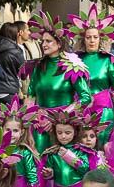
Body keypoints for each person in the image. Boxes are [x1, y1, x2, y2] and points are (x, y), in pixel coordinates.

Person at [22, 12, 94, 151]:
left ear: (59, 43)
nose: (44, 44)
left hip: (63, 128)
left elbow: (85, 97)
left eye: (48, 41)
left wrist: (59, 117)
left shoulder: (72, 66)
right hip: (40, 125)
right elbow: (30, 95)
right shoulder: (38, 66)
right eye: (42, 41)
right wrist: (34, 116)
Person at [69, 5, 114, 146]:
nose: (92, 40)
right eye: (88, 37)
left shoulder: (108, 60)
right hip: (80, 110)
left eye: (95, 37)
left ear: (100, 39)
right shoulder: (74, 60)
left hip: (104, 111)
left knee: (101, 147)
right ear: (83, 40)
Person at [0, 22, 24, 107]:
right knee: (12, 119)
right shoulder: (16, 51)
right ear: (15, 34)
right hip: (9, 92)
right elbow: (23, 73)